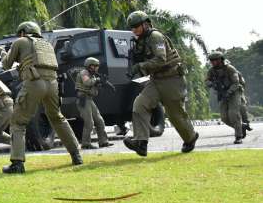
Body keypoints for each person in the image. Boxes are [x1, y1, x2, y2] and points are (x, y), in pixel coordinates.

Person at [1, 21, 82, 174]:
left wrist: (3, 53)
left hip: (34, 82)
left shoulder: (20, 41)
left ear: (23, 32)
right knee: (57, 117)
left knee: (18, 122)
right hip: (52, 84)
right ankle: (76, 155)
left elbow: (6, 64)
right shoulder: (47, 44)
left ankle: (17, 163)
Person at [123, 11, 199, 157]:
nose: (134, 30)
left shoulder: (155, 37)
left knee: (175, 114)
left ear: (145, 24)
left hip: (171, 79)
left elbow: (161, 60)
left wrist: (141, 66)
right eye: (132, 27)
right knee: (140, 104)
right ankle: (141, 143)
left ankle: (190, 138)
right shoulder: (141, 40)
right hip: (156, 80)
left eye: (136, 26)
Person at [205, 52, 246, 144]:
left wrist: (229, 92)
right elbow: (206, 80)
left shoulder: (230, 69)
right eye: (211, 60)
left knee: (233, 114)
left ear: (221, 59)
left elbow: (236, 83)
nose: (213, 62)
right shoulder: (211, 71)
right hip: (222, 94)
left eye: (215, 60)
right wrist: (211, 84)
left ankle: (238, 136)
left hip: (234, 92)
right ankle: (240, 126)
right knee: (224, 117)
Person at [76, 57, 113, 149]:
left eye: (97, 66)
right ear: (90, 66)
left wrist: (104, 84)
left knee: (99, 121)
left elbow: (94, 86)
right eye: (95, 66)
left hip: (89, 99)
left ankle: (103, 141)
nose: (97, 67)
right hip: (83, 99)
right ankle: (85, 144)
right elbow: (87, 82)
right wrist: (97, 80)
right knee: (89, 122)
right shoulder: (84, 73)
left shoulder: (93, 75)